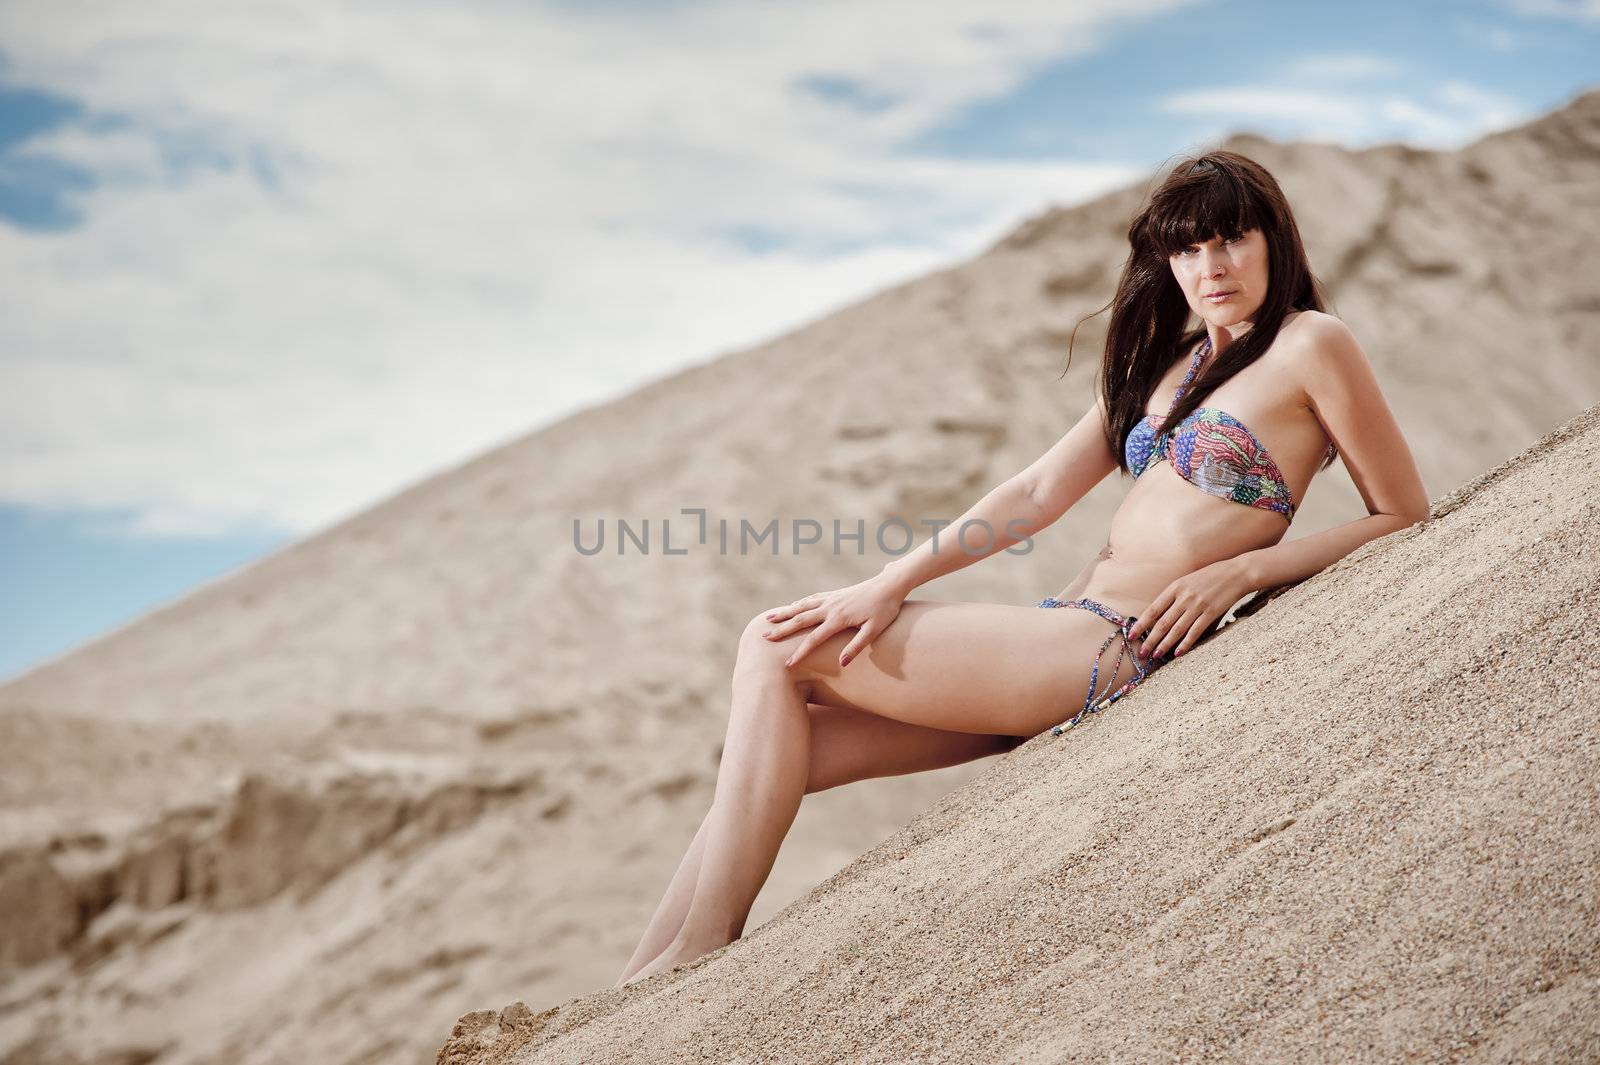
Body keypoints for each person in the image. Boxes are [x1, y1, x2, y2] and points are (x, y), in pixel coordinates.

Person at [615, 150, 1430, 987]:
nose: (1211, 266)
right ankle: (634, 993)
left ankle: (702, 950)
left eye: (1231, 240)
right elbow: (1037, 490)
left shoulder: (1311, 344)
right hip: (1058, 633)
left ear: (1275, 240)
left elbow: (1401, 513)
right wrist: (892, 581)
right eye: (1188, 249)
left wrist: (1244, 573)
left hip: (1113, 643)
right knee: (774, 746)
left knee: (773, 639)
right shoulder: (1169, 363)